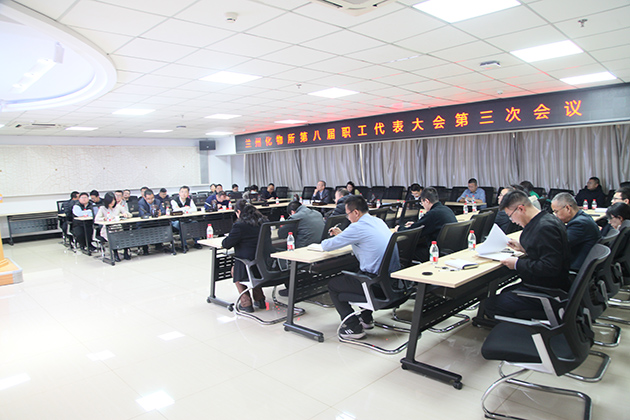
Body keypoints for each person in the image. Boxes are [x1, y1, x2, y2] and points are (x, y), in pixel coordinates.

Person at [482, 190, 571, 320]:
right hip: (547, 284)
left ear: (521, 209)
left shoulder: (544, 228)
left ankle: (533, 326)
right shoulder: (547, 219)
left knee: (490, 305)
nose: (512, 221)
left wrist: (517, 264)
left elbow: (550, 267)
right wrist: (524, 249)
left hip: (548, 290)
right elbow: (548, 253)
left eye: (511, 216)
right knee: (505, 293)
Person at [321, 195, 399, 339]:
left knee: (333, 285)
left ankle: (353, 327)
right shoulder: (378, 221)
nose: (348, 218)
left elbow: (327, 246)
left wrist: (332, 238)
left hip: (375, 286)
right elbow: (363, 238)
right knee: (358, 272)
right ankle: (366, 319)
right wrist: (343, 235)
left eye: (348, 214)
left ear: (356, 212)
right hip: (392, 283)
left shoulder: (357, 227)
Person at [222, 200, 268, 313]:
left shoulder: (239, 225)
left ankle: (246, 303)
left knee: (235, 269)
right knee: (253, 270)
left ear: (238, 212)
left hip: (248, 264)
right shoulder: (264, 222)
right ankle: (260, 299)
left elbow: (226, 244)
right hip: (265, 264)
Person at [398, 187, 457, 262]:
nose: (423, 205)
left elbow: (413, 232)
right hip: (448, 250)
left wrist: (399, 228)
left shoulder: (433, 213)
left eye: (422, 203)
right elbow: (426, 224)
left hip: (435, 252)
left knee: (404, 251)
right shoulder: (446, 209)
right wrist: (417, 224)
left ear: (426, 201)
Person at [551, 193, 601, 271]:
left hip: (576, 269)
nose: (555, 215)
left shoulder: (579, 224)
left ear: (568, 208)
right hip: (584, 265)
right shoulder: (583, 217)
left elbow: (557, 245)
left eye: (556, 211)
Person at [94, 192, 132, 261]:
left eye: (113, 201)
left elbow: (129, 214)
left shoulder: (118, 207)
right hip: (108, 229)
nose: (112, 203)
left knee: (125, 236)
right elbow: (96, 219)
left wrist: (125, 214)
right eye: (110, 201)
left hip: (118, 228)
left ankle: (126, 252)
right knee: (112, 238)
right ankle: (115, 254)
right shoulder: (102, 208)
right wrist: (104, 218)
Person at [138, 188, 166, 254]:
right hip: (144, 223)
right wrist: (154, 214)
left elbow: (163, 211)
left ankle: (159, 245)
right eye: (148, 199)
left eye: (152, 198)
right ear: (144, 197)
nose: (151, 200)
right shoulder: (141, 203)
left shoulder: (157, 201)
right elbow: (143, 214)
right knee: (144, 230)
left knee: (161, 225)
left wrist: (160, 213)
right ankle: (145, 248)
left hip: (155, 222)